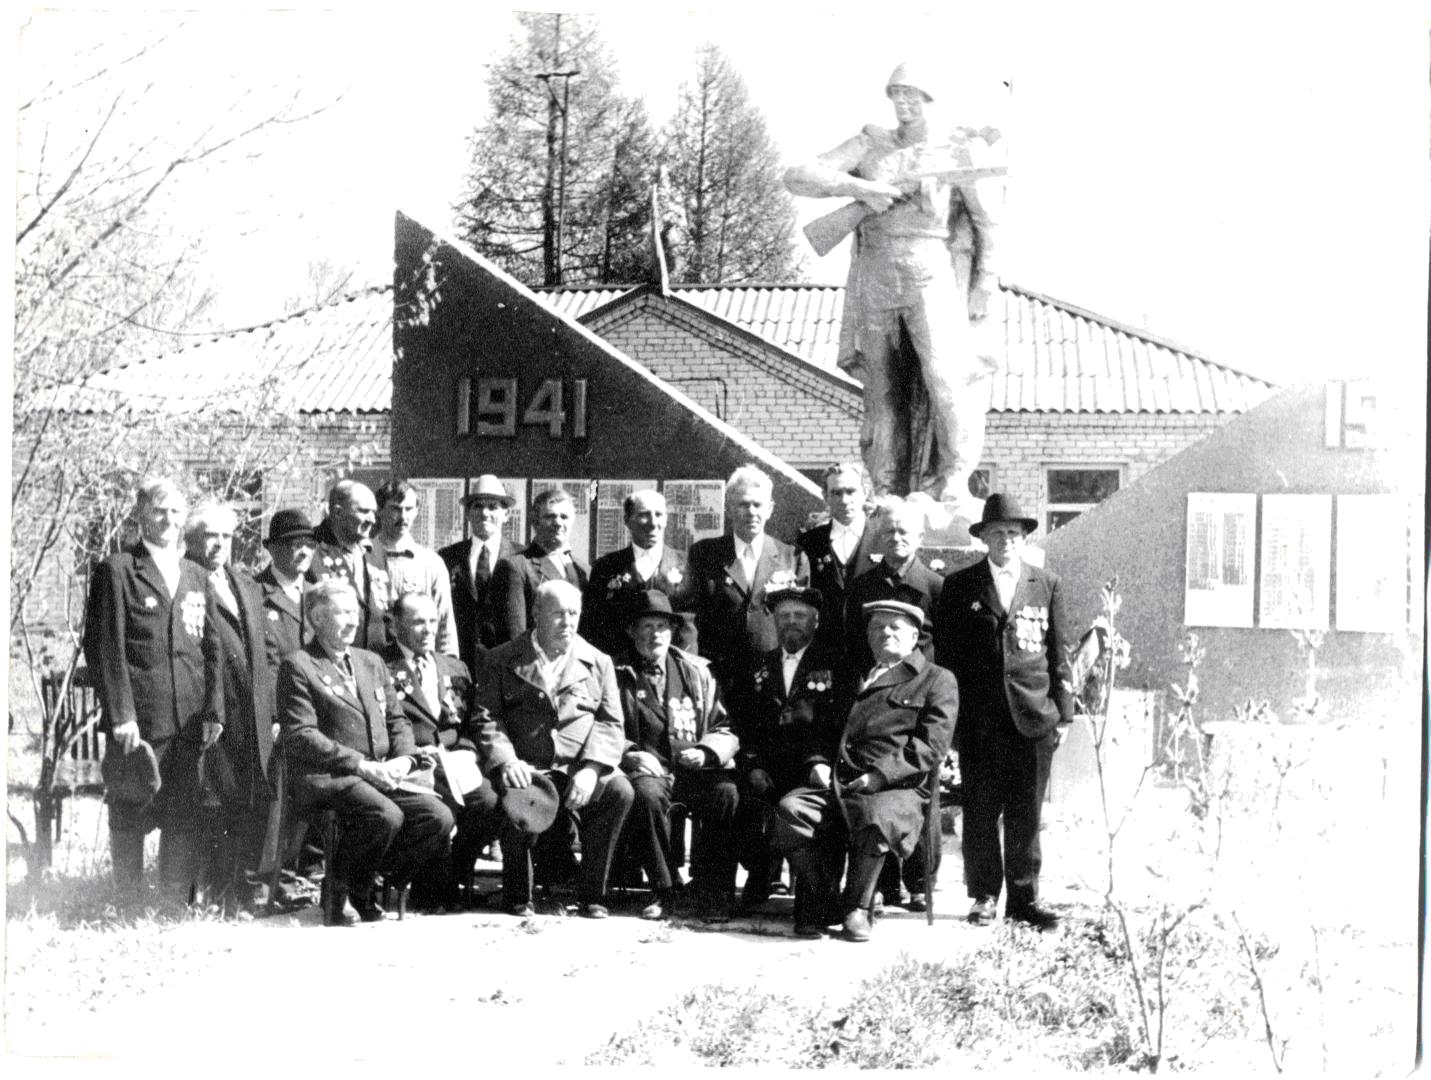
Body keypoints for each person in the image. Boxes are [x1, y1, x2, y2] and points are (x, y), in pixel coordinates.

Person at [784, 63, 1003, 508]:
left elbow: (987, 221)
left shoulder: (957, 150)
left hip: (931, 267)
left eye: (913, 95)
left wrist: (985, 281)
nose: (903, 103)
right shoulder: (871, 144)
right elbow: (797, 175)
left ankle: (954, 480)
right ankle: (885, 488)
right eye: (896, 94)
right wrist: (860, 189)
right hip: (878, 274)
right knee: (881, 386)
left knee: (945, 376)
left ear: (930, 99)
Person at [774, 599, 957, 941]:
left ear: (915, 635)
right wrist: (817, 762)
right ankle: (824, 897)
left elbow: (930, 746)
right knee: (790, 813)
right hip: (840, 780)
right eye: (876, 627)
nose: (884, 633)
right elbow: (821, 726)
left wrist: (880, 776)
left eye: (894, 627)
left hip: (898, 787)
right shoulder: (852, 673)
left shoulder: (936, 679)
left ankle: (857, 907)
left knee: (875, 815)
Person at [278, 579, 454, 925]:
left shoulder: (370, 662)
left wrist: (405, 759)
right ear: (316, 619)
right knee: (384, 815)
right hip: (330, 775)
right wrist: (361, 765)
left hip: (382, 772)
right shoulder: (299, 665)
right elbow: (301, 734)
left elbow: (397, 719)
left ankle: (367, 882)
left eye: (354, 613)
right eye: (341, 613)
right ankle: (339, 892)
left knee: (437, 817)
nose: (352, 621)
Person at [933, 494, 1072, 930]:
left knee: (1027, 812)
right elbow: (948, 658)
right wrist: (950, 719)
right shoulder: (960, 587)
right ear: (984, 539)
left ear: (1025, 537)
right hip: (981, 721)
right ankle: (984, 895)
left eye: (1013, 533)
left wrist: (1063, 713)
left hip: (1033, 717)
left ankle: (1025, 899)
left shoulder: (1046, 584)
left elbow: (1058, 653)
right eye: (997, 533)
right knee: (979, 810)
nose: (1006, 540)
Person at [83, 478, 222, 895]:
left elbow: (211, 648)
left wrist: (214, 711)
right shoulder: (119, 570)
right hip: (141, 720)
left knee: (182, 810)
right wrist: (121, 715)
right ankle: (125, 901)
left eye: (176, 512)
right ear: (141, 514)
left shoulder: (196, 574)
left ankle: (173, 902)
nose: (168, 519)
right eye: (159, 510)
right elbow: (106, 647)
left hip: (190, 717)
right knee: (131, 808)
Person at [473, 580, 633, 918]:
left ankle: (592, 894)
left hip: (579, 769)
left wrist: (592, 769)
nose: (568, 622)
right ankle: (519, 896)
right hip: (528, 766)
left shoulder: (598, 661)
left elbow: (610, 723)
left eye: (573, 613)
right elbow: (486, 719)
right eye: (558, 614)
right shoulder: (502, 658)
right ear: (536, 615)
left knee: (619, 791)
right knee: (514, 790)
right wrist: (506, 761)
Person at [613, 591, 738, 921]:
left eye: (662, 627)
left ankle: (711, 889)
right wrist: (629, 753)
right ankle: (664, 888)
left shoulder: (697, 672)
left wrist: (707, 751)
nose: (655, 635)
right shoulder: (616, 673)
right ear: (631, 631)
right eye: (646, 626)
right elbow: (602, 726)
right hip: (648, 769)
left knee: (725, 793)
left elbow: (723, 725)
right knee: (647, 795)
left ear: (673, 631)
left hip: (693, 769)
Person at [733, 584, 850, 911]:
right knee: (742, 803)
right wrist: (754, 764)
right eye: (784, 616)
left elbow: (839, 723)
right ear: (774, 621)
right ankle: (761, 873)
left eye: (800, 615)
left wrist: (820, 761)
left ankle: (815, 898)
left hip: (813, 770)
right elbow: (746, 722)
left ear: (815, 621)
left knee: (806, 816)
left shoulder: (834, 665)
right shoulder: (760, 666)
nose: (791, 622)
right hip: (768, 769)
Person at [183, 502, 276, 910]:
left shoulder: (246, 585)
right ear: (192, 540)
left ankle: (241, 891)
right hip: (211, 712)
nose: (218, 544)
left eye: (225, 536)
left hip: (250, 714)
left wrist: (270, 713)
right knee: (213, 804)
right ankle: (213, 894)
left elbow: (264, 656)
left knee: (247, 801)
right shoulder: (185, 580)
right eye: (209, 536)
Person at [382, 592, 501, 909]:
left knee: (490, 803)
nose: (428, 629)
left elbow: (471, 723)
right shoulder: (380, 666)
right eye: (418, 622)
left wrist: (468, 752)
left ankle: (454, 875)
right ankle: (428, 885)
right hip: (411, 765)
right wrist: (415, 756)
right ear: (395, 626)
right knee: (441, 811)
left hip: (455, 762)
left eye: (433, 621)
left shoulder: (454, 667)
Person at [687, 465, 810, 690]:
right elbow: (692, 618)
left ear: (770, 509)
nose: (751, 512)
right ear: (729, 508)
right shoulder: (705, 555)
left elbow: (804, 625)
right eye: (743, 504)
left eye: (758, 504)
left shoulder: (792, 558)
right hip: (719, 680)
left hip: (774, 680)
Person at [582, 488, 697, 659]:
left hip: (671, 668)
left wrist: (684, 667)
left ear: (666, 520)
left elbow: (689, 625)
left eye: (659, 515)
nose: (652, 523)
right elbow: (593, 626)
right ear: (627, 521)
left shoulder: (687, 565)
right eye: (644, 514)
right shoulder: (606, 567)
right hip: (620, 669)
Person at [844, 498, 944, 673]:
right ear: (880, 535)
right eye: (889, 531)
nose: (896, 538)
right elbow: (853, 644)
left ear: (920, 537)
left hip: (919, 688)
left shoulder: (937, 587)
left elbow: (947, 649)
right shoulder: (861, 586)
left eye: (903, 532)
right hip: (872, 686)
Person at [796, 463, 880, 658]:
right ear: (825, 496)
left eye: (851, 491)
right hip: (823, 655)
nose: (844, 500)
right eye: (836, 493)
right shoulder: (809, 542)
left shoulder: (883, 539)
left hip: (872, 653)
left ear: (865, 493)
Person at [369, 480, 459, 658]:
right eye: (395, 508)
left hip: (418, 666)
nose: (403, 517)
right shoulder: (363, 557)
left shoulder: (431, 563)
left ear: (417, 511)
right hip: (372, 664)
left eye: (409, 509)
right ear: (379, 510)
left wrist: (449, 672)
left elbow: (444, 626)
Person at [491, 487, 590, 644]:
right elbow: (515, 637)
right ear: (535, 522)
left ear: (571, 522)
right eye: (550, 516)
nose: (558, 522)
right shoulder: (516, 567)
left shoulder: (584, 570)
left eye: (564, 517)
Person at [438, 475, 516, 672]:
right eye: (478, 506)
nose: (485, 513)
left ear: (506, 514)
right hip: (461, 665)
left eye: (493, 506)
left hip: (506, 665)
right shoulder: (447, 558)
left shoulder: (521, 557)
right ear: (467, 513)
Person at [308, 480, 390, 651]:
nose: (373, 520)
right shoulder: (311, 549)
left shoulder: (376, 551)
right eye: (364, 511)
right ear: (337, 512)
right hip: (328, 660)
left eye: (374, 512)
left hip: (373, 663)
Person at [256, 508, 317, 667]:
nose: (305, 552)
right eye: (296, 545)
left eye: (310, 545)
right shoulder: (254, 591)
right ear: (273, 549)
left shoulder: (318, 594)